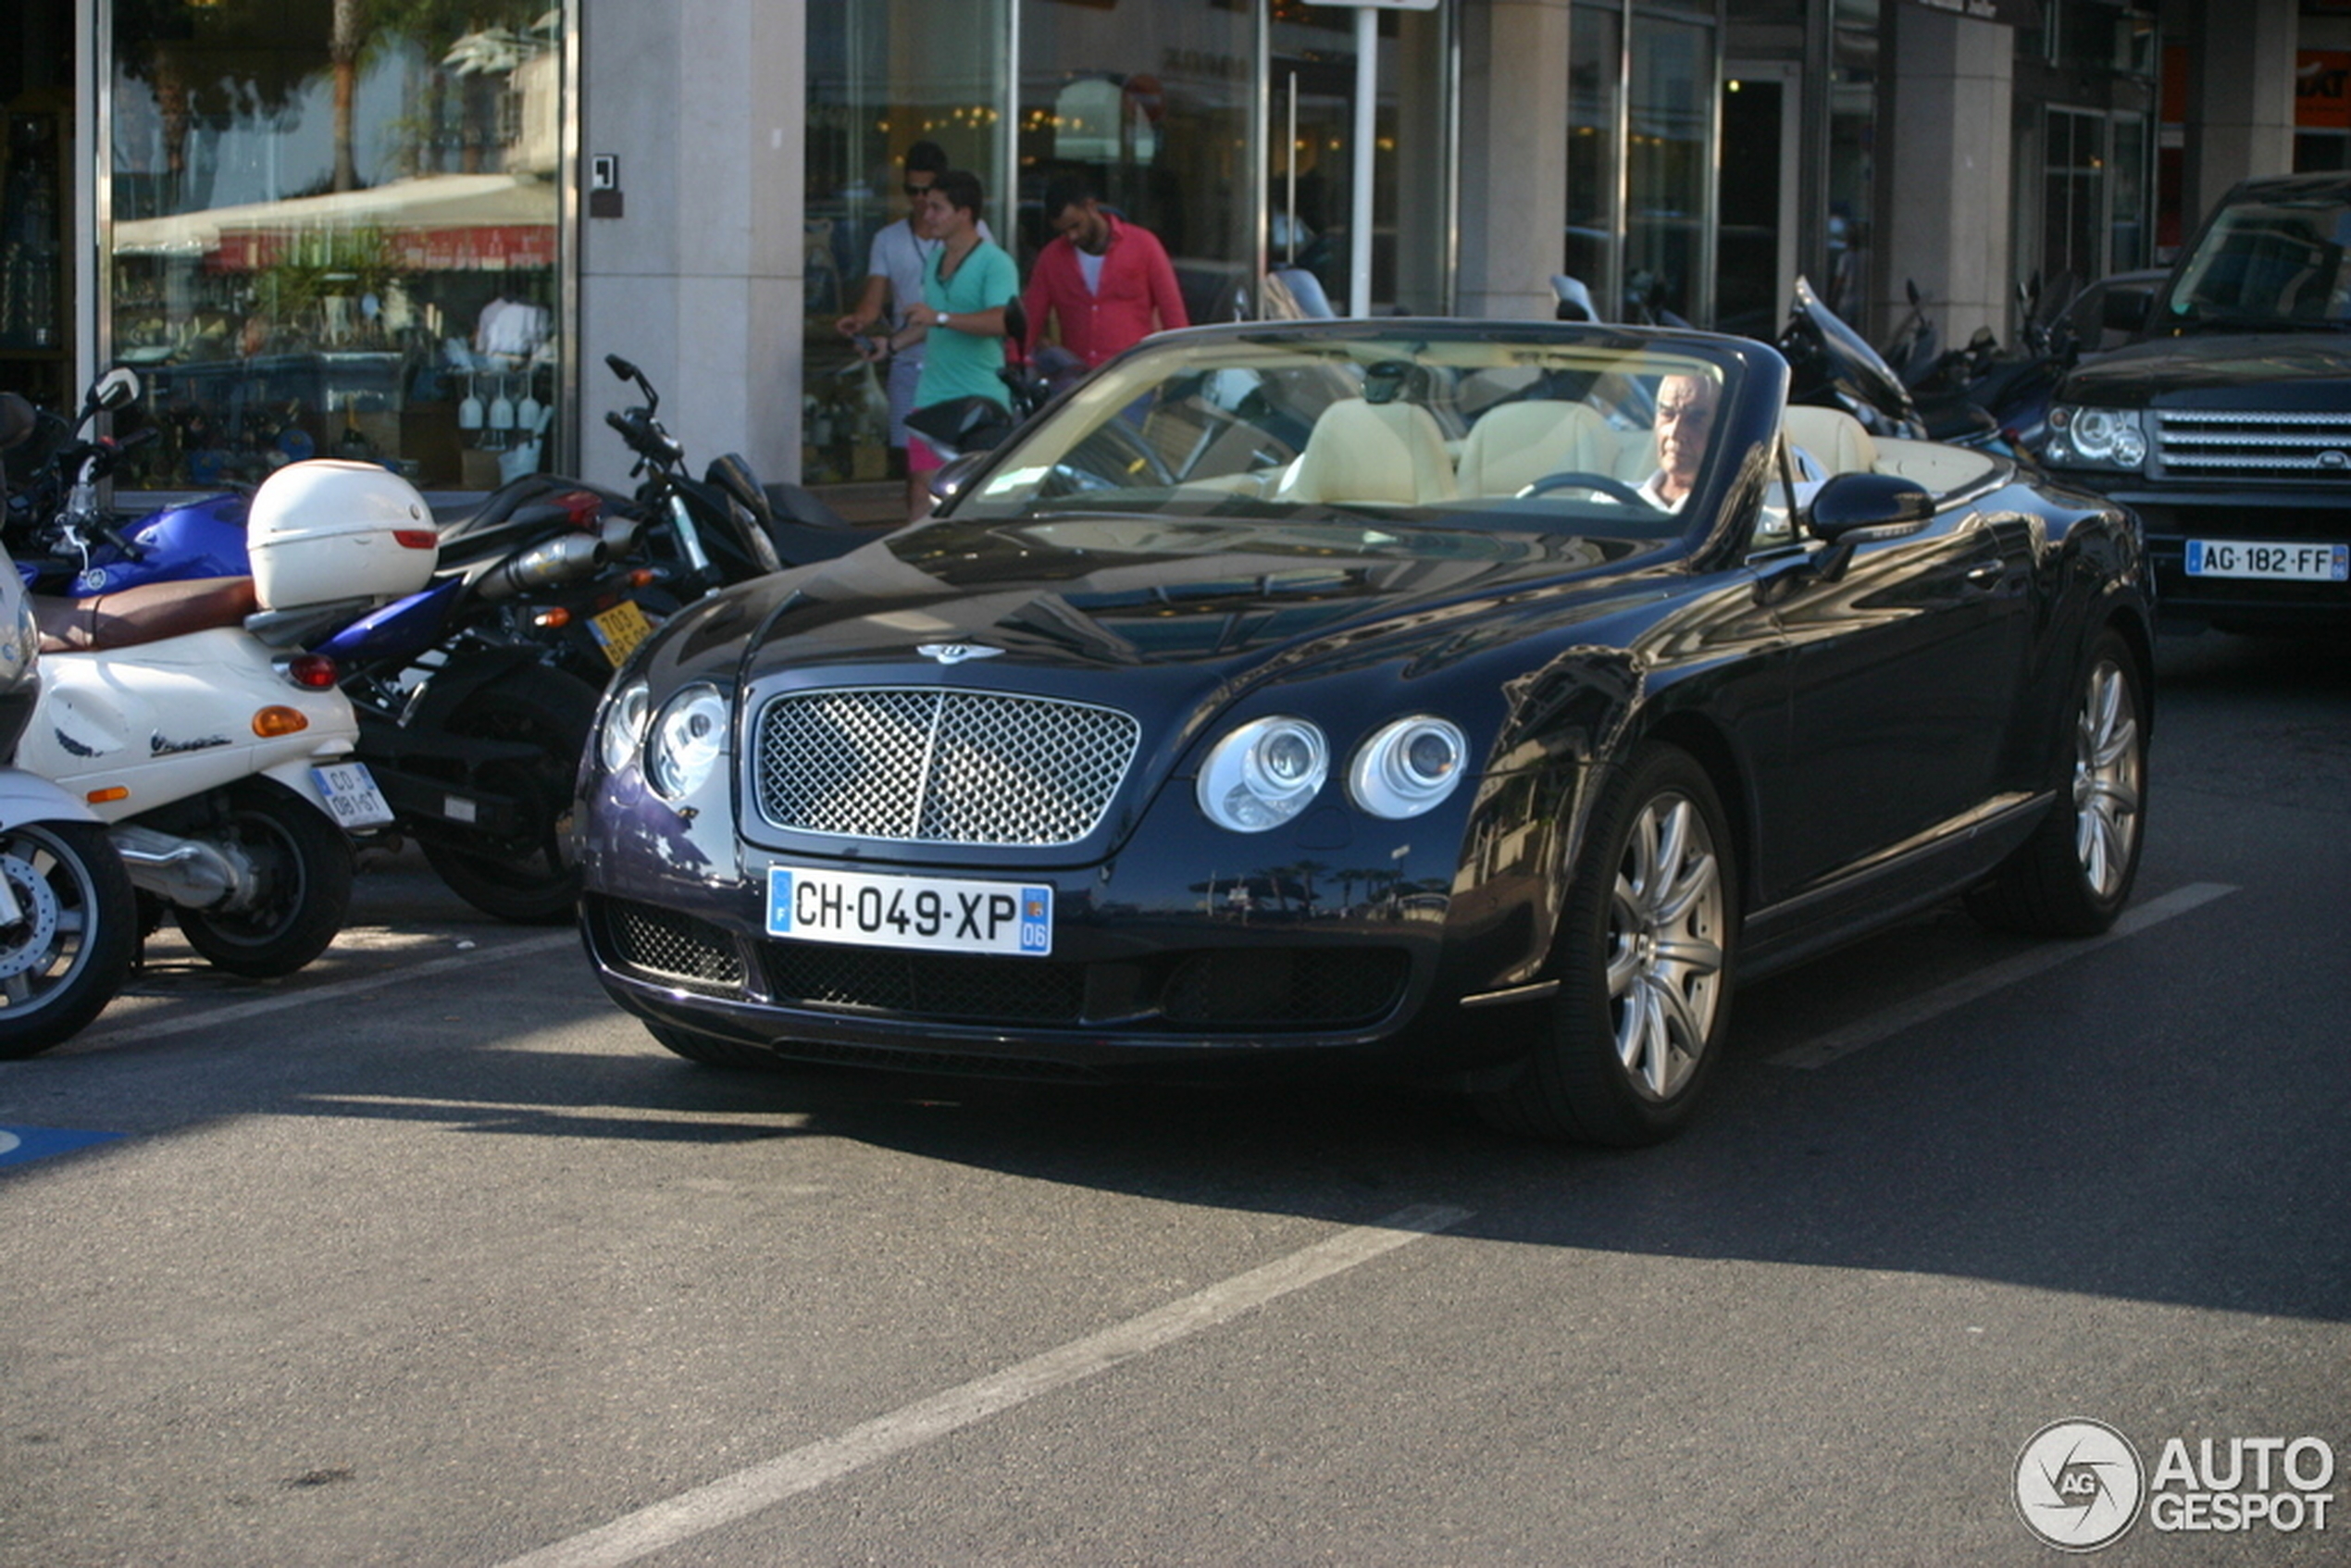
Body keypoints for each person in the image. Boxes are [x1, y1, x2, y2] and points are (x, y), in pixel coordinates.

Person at [834, 142, 991, 516]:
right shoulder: (889, 239)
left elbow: (988, 306)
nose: (920, 201)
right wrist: (860, 320)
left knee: (967, 469)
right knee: (918, 473)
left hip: (959, 365)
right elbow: (874, 301)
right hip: (911, 366)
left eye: (928, 193)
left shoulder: (975, 237)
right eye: (912, 191)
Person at [867, 168, 1017, 520]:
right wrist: (890, 345)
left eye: (937, 208)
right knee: (922, 486)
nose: (927, 214)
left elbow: (1002, 321)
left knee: (971, 497)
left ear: (964, 213)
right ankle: (916, 569)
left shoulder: (995, 262)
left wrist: (942, 318)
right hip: (931, 396)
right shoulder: (935, 260)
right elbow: (929, 322)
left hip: (979, 399)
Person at [1018, 173, 1188, 371]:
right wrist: (1015, 361)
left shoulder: (1143, 245)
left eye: (1076, 225)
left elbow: (1173, 314)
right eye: (1064, 232)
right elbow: (1031, 318)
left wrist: (1179, 370)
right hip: (1078, 378)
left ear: (1090, 207)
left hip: (1133, 375)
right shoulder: (1052, 258)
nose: (1072, 236)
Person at [1636, 372, 1720, 511]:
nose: (1675, 432)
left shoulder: (1743, 516)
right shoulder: (1610, 502)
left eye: (1695, 419)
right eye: (1668, 414)